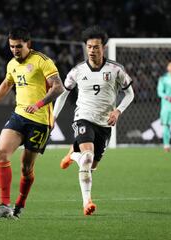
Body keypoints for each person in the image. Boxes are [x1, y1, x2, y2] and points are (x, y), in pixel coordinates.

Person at [0, 27, 64, 219]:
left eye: (18, 46)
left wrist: (39, 104)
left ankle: (20, 204)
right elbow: (7, 84)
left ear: (28, 44)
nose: (15, 50)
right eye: (11, 46)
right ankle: (4, 205)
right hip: (19, 116)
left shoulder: (43, 61)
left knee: (26, 168)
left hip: (40, 122)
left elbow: (59, 88)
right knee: (1, 152)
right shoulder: (11, 65)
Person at [53, 26, 134, 215]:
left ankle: (72, 155)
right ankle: (86, 202)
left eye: (96, 47)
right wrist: (54, 116)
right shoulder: (78, 70)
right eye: (89, 46)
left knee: (92, 164)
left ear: (103, 48)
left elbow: (130, 93)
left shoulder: (116, 69)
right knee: (88, 158)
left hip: (105, 124)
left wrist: (118, 111)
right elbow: (64, 93)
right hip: (84, 118)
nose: (92, 50)